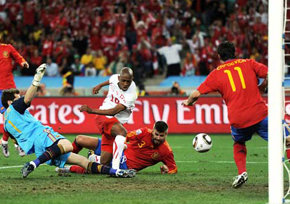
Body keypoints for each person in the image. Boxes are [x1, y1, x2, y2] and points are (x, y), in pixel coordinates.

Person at [1, 64, 135, 179]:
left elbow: (16, 140)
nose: (20, 99)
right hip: (42, 135)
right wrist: (36, 80)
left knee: (83, 161)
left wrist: (9, 144)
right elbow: (28, 99)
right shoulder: (14, 107)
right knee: (67, 144)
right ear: (10, 102)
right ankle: (33, 164)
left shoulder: (6, 123)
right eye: (17, 97)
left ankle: (117, 172)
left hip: (38, 149)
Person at [182, 41, 268, 188]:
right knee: (284, 140)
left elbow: (196, 94)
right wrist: (262, 87)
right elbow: (269, 74)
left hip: (238, 119)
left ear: (219, 56)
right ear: (235, 52)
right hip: (259, 113)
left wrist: (189, 102)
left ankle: (242, 172)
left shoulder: (216, 73)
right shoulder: (249, 63)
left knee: (239, 142)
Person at [75, 67, 137, 170]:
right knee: (122, 133)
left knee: (104, 161)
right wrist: (99, 86)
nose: (125, 83)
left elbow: (114, 111)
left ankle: (92, 157)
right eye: (123, 80)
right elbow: (110, 81)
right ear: (119, 78)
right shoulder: (114, 78)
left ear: (132, 79)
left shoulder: (131, 94)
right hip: (103, 118)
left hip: (113, 121)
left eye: (128, 81)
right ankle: (116, 169)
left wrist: (91, 110)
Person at [60, 121, 177, 174]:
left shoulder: (166, 151)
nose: (158, 138)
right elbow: (127, 136)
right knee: (80, 139)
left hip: (124, 164)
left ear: (166, 134)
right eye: (156, 134)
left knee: (94, 166)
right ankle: (65, 159)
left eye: (162, 136)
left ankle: (69, 168)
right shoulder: (144, 132)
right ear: (153, 131)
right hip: (117, 150)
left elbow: (173, 168)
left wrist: (167, 170)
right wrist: (122, 144)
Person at [0, 42, 29, 157]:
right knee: (7, 115)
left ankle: (6, 142)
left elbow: (18, 56)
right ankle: (17, 144)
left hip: (10, 87)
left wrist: (23, 62)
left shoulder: (7, 48)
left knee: (15, 116)